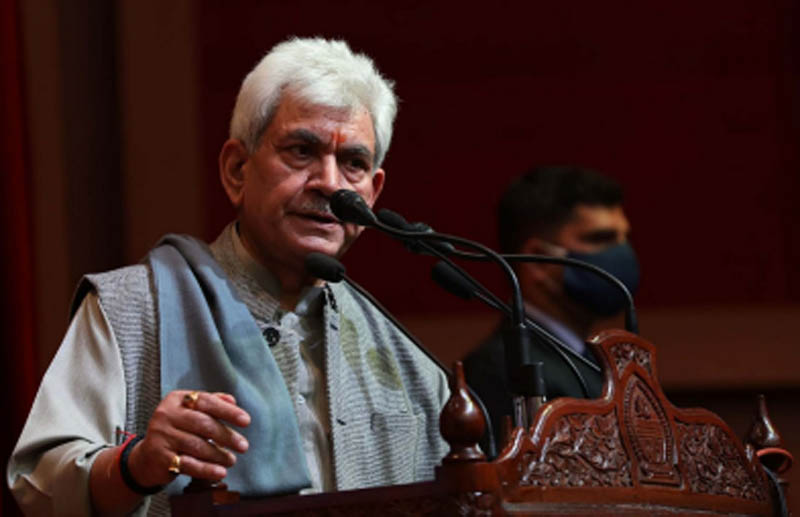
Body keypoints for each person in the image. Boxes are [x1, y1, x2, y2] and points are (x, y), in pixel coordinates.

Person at [7, 37, 448, 516]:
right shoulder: (130, 308)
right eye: (302, 151)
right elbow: (39, 485)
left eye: (353, 164)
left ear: (373, 192)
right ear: (237, 169)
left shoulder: (409, 359)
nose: (330, 183)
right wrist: (135, 465)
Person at [463, 166, 639, 455]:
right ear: (538, 260)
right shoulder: (500, 369)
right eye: (600, 239)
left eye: (623, 238)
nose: (622, 254)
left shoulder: (599, 361)